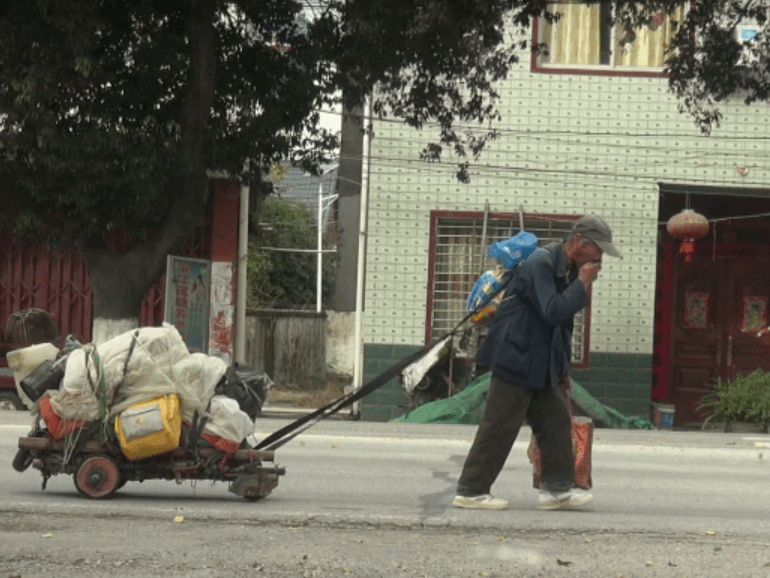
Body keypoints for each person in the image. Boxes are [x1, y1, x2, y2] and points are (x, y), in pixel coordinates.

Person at [452, 214, 622, 511]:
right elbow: (553, 311)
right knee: (499, 426)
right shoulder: (540, 264)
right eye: (598, 249)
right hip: (516, 357)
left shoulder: (566, 268)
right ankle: (471, 490)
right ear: (579, 241)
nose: (600, 258)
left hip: (541, 363)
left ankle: (556, 490)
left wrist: (563, 370)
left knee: (556, 424)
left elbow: (563, 327)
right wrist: (582, 283)